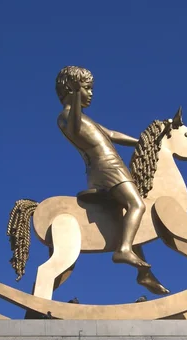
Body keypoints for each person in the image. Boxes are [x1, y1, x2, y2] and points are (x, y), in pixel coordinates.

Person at [55, 66, 150, 269]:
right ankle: (124, 249)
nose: (90, 94)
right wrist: (75, 98)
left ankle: (144, 274)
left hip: (103, 169)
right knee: (137, 205)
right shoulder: (67, 117)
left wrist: (141, 141)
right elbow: (75, 128)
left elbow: (113, 134)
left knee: (124, 214)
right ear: (72, 88)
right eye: (86, 88)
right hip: (108, 168)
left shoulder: (88, 120)